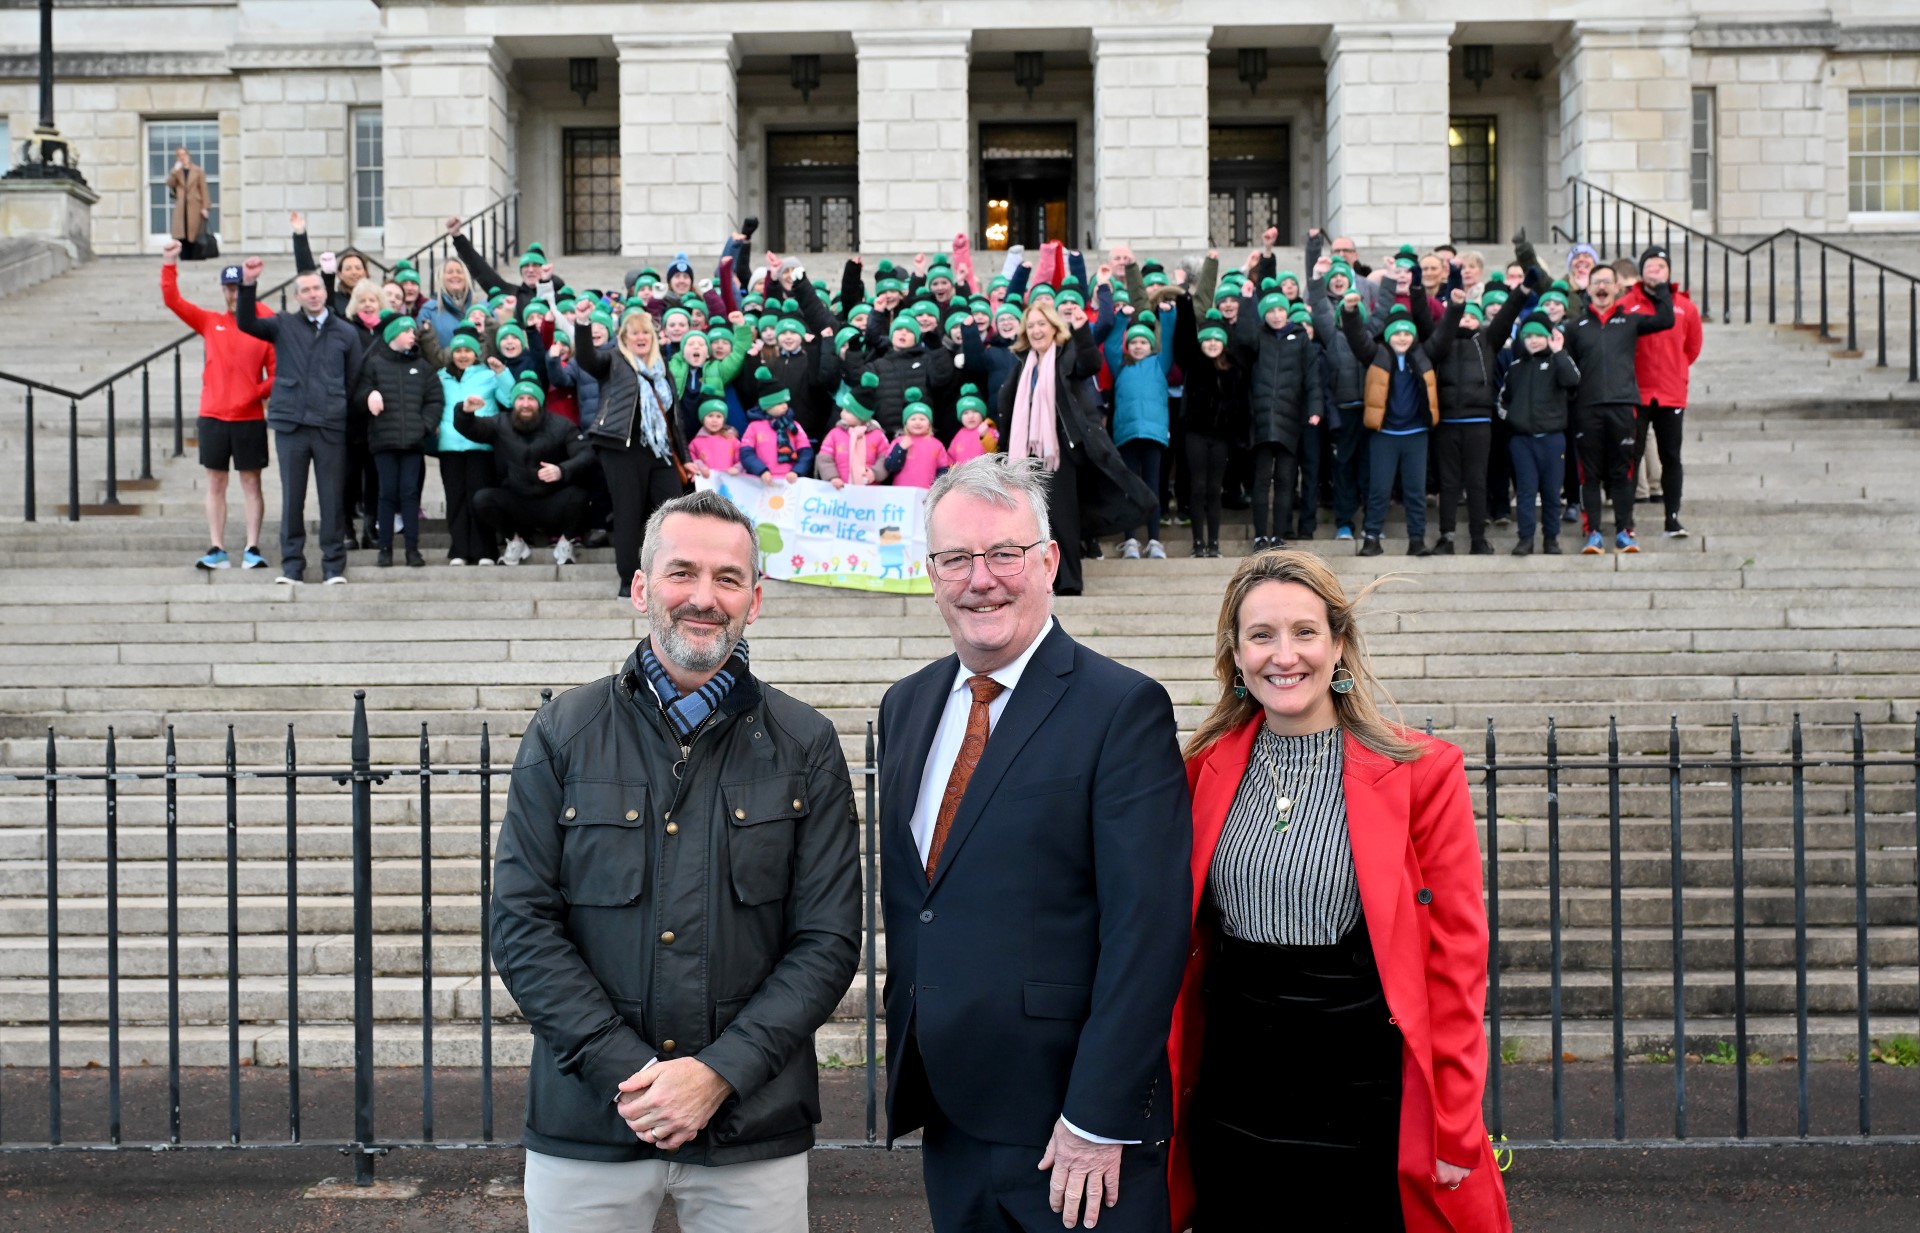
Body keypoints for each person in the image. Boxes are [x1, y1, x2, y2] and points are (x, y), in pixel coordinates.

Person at [492, 490, 861, 1233]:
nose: (704, 597)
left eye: (728, 578)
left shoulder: (807, 743)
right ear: (640, 588)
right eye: (681, 572)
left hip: (752, 1127)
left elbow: (827, 941)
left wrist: (717, 1074)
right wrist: (629, 1074)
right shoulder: (563, 731)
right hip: (589, 1119)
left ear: (755, 600)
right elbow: (522, 924)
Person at [879, 455, 1191, 1233]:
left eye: (1003, 554)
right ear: (932, 573)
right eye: (956, 558)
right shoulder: (906, 705)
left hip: (1072, 1133)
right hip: (952, 1117)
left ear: (1048, 560)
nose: (980, 578)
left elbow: (1147, 930)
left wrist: (1097, 1116)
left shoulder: (1123, 708)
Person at [1168, 550, 1511, 1233]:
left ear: (1339, 643)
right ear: (1235, 654)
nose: (1283, 654)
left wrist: (1452, 1121)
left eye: (1305, 631)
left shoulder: (1422, 774)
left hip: (1364, 1093)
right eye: (1261, 634)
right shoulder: (1198, 771)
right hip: (1236, 1090)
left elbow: (1457, 963)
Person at [996, 300, 1155, 596]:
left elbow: (1091, 363)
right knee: (1034, 519)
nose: (1036, 330)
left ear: (1054, 327)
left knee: (1062, 515)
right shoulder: (1023, 363)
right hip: (1026, 454)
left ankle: (1068, 581)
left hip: (1060, 450)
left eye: (1042, 324)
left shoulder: (1065, 354)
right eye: (1030, 326)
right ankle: (1041, 581)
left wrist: (1082, 328)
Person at [235, 256, 365, 585]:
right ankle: (292, 565)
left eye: (317, 288)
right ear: (296, 297)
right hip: (291, 425)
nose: (312, 294)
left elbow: (353, 380)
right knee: (293, 498)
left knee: (332, 500)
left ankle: (334, 567)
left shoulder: (346, 332)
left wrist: (334, 405)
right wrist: (248, 285)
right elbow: (246, 323)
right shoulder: (282, 325)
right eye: (305, 290)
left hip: (329, 426)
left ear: (326, 290)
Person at [161, 246, 274, 570]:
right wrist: (169, 263)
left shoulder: (264, 326)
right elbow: (173, 301)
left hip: (249, 416)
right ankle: (217, 547)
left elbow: (278, 374)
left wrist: (255, 391)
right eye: (229, 287)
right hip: (213, 415)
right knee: (216, 483)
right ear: (223, 290)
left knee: (252, 482)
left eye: (239, 287)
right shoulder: (211, 322)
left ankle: (252, 547)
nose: (233, 293)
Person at [575, 307, 689, 597]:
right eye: (634, 332)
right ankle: (629, 578)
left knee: (672, 513)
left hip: (659, 451)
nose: (640, 337)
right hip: (621, 448)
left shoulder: (661, 370)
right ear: (624, 338)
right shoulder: (613, 360)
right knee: (628, 511)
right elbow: (587, 358)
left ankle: (671, 573)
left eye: (645, 332)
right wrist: (583, 323)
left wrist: (685, 459)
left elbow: (673, 419)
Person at [1560, 265, 1674, 554]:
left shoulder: (1630, 322)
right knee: (1590, 474)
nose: (1601, 287)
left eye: (1606, 283)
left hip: (1623, 406)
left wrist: (1659, 287)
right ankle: (1593, 532)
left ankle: (1625, 531)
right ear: (1587, 289)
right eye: (1596, 282)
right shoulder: (1575, 328)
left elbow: (1666, 319)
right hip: (1587, 409)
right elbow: (1568, 369)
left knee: (1623, 472)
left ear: (1616, 288)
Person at [1341, 298, 1447, 558]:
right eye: (1396, 333)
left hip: (1415, 435)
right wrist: (1350, 312)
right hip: (1384, 434)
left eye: (1406, 333)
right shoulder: (1377, 355)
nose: (1402, 337)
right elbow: (1357, 339)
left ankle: (1417, 540)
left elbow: (1443, 336)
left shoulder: (1422, 356)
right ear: (1388, 336)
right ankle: (1372, 539)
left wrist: (1454, 308)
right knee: (1378, 490)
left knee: (1415, 491)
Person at [458, 379, 595, 566]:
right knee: (482, 498)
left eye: (531, 398)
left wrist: (562, 470)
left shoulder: (561, 425)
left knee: (580, 495)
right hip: (516, 502)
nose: (525, 404)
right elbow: (472, 428)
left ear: (539, 402)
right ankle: (515, 542)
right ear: (513, 401)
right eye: (520, 398)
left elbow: (586, 454)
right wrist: (465, 412)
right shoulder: (500, 423)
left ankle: (565, 542)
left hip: (552, 502)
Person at [1619, 245, 1703, 538]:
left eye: (1661, 266)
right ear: (1641, 271)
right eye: (1650, 265)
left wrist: (1675, 371)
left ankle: (1672, 517)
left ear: (1669, 271)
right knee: (1632, 455)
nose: (1655, 270)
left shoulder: (1686, 307)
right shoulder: (1626, 303)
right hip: (1635, 393)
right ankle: (1625, 520)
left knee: (1671, 456)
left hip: (1670, 393)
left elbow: (1691, 349)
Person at [1233, 281, 1322, 553]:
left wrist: (1315, 408)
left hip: (1290, 417)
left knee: (1285, 478)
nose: (1276, 315)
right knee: (1261, 479)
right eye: (1270, 311)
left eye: (1280, 310)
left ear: (1287, 312)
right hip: (1260, 419)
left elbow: (1312, 378)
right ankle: (1261, 535)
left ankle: (1279, 534)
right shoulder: (1257, 336)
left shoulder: (1300, 338)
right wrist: (1247, 302)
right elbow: (1243, 338)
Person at [352, 314, 440, 567]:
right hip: (384, 442)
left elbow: (435, 399)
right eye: (407, 331)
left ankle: (412, 550)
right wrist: (370, 394)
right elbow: (359, 395)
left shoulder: (422, 367)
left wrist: (423, 426)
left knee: (410, 494)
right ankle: (385, 549)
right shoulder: (374, 364)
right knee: (387, 494)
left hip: (412, 443)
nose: (413, 335)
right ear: (393, 336)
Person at [1170, 295, 1248, 560]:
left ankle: (1213, 542)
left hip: (1221, 438)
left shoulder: (1234, 369)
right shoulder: (1194, 363)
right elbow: (1182, 339)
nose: (1212, 343)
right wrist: (1185, 302)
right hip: (1195, 434)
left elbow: (1239, 406)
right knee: (1197, 486)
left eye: (1217, 339)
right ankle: (1198, 543)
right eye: (1208, 339)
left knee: (1215, 489)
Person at [1499, 312, 1580, 555]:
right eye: (1528, 336)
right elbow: (1503, 400)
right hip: (1522, 441)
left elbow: (1573, 380)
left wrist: (1559, 351)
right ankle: (1525, 539)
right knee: (1525, 492)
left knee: (1551, 493)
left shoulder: (1559, 362)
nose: (1533, 340)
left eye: (1539, 335)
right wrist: (1515, 421)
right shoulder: (1515, 368)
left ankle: (1551, 538)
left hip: (1553, 439)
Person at [1104, 308, 1177, 560]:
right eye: (1133, 342)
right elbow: (1112, 346)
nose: (1138, 346)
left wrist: (1168, 315)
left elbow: (1168, 339)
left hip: (1154, 434)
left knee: (1153, 486)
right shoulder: (1121, 366)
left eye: (1143, 342)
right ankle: (1131, 540)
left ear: (1151, 345)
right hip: (1126, 434)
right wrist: (1122, 319)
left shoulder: (1159, 363)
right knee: (1129, 487)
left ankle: (1154, 539)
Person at [165, 145, 212, 257]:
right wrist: (175, 171)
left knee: (195, 232)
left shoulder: (197, 170)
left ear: (188, 155)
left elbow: (203, 189)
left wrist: (205, 207)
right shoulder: (176, 172)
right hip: (181, 206)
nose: (182, 157)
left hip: (195, 205)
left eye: (183, 154)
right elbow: (169, 183)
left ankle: (196, 255)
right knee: (182, 232)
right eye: (179, 155)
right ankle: (184, 255)